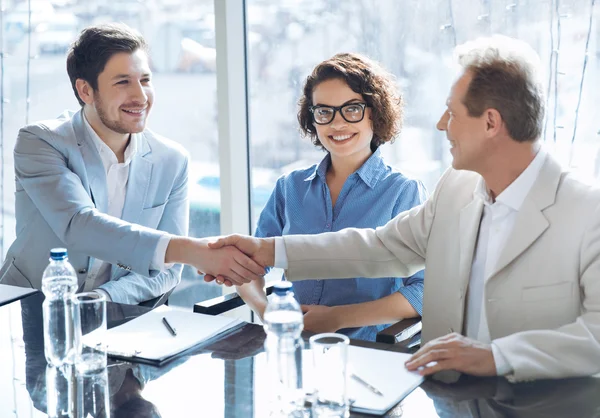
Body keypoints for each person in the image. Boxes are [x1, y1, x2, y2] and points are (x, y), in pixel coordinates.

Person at [207, 35, 600, 381]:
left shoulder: (588, 211)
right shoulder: (457, 189)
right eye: (324, 111)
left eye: (453, 111)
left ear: (491, 122)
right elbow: (379, 248)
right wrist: (269, 250)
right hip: (447, 395)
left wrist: (497, 357)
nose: (441, 124)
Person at [0, 23, 263, 304]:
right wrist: (192, 251)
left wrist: (100, 300)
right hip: (24, 309)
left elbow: (165, 272)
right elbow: (78, 224)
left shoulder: (171, 161)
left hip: (114, 317)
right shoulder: (41, 142)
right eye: (123, 82)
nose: (140, 97)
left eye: (145, 80)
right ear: (86, 91)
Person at [237, 53, 426, 340]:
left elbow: (424, 290)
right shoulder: (290, 187)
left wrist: (337, 318)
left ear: (375, 111)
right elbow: (248, 265)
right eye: (324, 111)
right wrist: (268, 313)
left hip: (370, 350)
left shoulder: (404, 192)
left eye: (352, 109)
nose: (337, 124)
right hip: (293, 342)